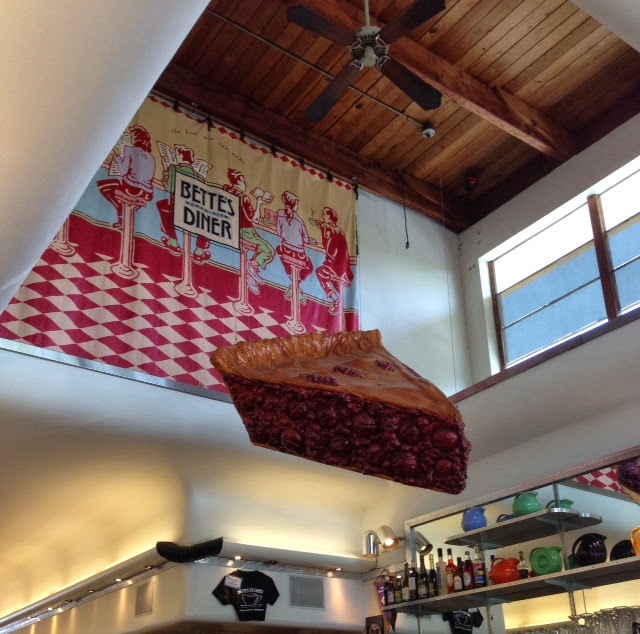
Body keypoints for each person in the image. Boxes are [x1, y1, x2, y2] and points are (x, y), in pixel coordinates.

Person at [155, 144, 211, 262]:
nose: (176, 157)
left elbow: (169, 187)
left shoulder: (174, 169)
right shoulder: (199, 177)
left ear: (181, 156)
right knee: (207, 223)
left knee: (162, 205)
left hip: (178, 209)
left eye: (177, 155)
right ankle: (199, 251)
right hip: (194, 213)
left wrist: (165, 174)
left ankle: (173, 242)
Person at [222, 168, 275, 294]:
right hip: (245, 232)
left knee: (264, 248)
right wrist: (259, 203)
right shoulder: (243, 198)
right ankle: (251, 266)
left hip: (229, 228)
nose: (245, 184)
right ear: (238, 182)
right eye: (243, 181)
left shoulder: (226, 190)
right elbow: (254, 219)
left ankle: (251, 271)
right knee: (269, 251)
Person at [97, 124, 156, 229]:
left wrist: (118, 159)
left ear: (136, 138)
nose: (130, 138)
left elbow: (123, 171)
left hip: (130, 188)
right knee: (117, 187)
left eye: (131, 136)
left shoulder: (130, 149)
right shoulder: (150, 156)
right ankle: (125, 218)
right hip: (147, 193)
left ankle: (121, 216)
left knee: (103, 185)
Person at [312, 206, 354, 315]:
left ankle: (335, 298)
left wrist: (316, 222)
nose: (322, 216)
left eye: (324, 215)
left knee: (320, 272)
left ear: (329, 217)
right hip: (343, 266)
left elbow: (323, 226)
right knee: (331, 276)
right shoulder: (340, 230)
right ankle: (339, 301)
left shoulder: (328, 227)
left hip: (334, 264)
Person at [276, 191, 315, 300]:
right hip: (298, 253)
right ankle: (296, 287)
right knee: (309, 267)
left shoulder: (280, 214)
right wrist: (310, 241)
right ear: (294, 205)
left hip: (285, 249)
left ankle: (294, 287)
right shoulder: (299, 220)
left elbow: (279, 232)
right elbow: (306, 239)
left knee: (278, 250)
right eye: (297, 204)